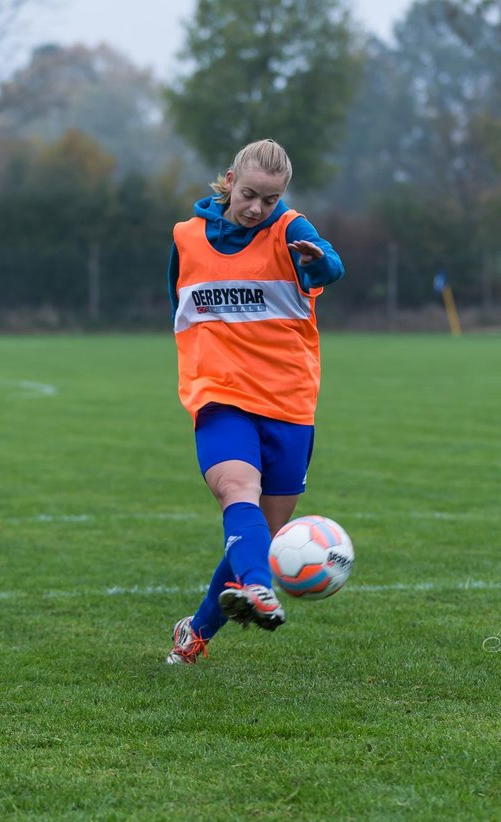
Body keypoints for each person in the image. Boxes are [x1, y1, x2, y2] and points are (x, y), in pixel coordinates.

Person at [164, 139, 345, 665]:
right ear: (228, 180)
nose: (257, 209)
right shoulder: (186, 239)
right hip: (219, 397)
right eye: (249, 195)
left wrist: (317, 263)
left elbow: (330, 267)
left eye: (270, 200)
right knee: (237, 489)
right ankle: (260, 591)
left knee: (259, 534)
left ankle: (194, 632)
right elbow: (178, 307)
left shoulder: (291, 230)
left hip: (288, 403)